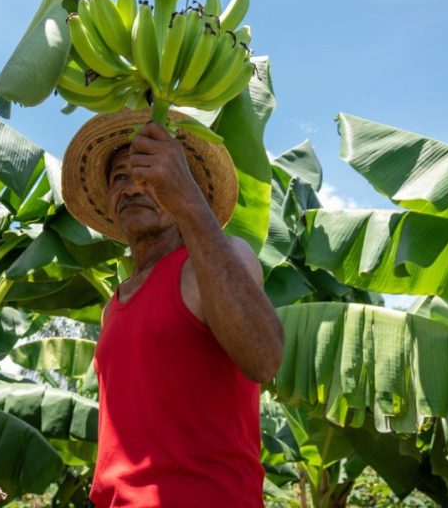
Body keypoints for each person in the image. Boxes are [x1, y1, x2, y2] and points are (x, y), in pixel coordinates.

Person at [61, 109, 286, 508]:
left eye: (151, 177)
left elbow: (264, 358)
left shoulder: (219, 260)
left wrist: (189, 201)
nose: (133, 188)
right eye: (119, 178)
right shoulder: (113, 306)